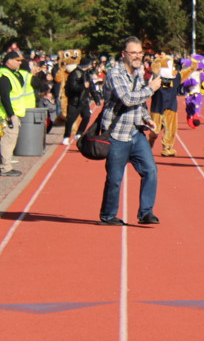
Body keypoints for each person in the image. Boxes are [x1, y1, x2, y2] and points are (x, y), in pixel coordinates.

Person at [98, 37, 161, 226]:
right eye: (133, 53)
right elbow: (127, 99)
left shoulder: (138, 74)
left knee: (150, 170)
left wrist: (147, 118)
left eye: (140, 53)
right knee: (115, 179)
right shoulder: (115, 74)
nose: (137, 56)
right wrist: (150, 89)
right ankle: (108, 215)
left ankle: (146, 212)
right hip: (117, 134)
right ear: (124, 54)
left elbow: (139, 103)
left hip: (135, 132)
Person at [0, 51, 33, 177]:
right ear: (9, 61)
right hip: (7, 115)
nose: (19, 63)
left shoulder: (10, 74)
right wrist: (11, 115)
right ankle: (5, 168)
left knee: (9, 141)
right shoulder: (4, 76)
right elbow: (5, 97)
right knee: (7, 141)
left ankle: (6, 166)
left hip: (9, 113)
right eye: (17, 60)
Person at [63, 57, 97, 145]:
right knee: (71, 119)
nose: (91, 66)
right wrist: (83, 86)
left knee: (86, 116)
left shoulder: (87, 73)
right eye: (90, 64)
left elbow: (91, 87)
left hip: (84, 100)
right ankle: (66, 136)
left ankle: (79, 133)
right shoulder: (74, 74)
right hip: (75, 101)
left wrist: (96, 98)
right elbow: (72, 87)